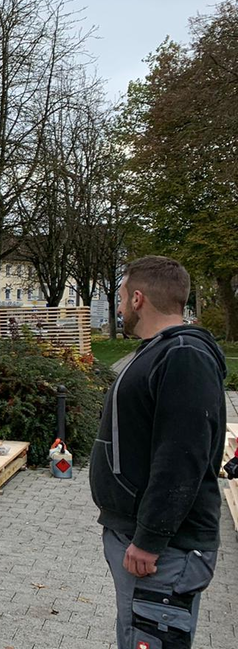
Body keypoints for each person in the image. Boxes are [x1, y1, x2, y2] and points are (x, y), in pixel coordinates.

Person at [90, 256, 227, 649]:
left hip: (162, 552)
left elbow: (182, 457)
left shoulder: (184, 355)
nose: (119, 308)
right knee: (134, 631)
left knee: (150, 636)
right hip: (142, 540)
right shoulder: (163, 351)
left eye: (120, 298)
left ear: (138, 299)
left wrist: (151, 539)